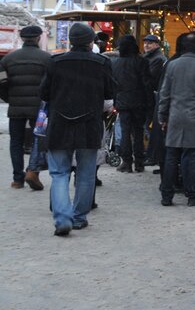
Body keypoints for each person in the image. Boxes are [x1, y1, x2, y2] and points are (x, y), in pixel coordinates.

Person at [40, 22, 114, 235]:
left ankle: (63, 217)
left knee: (59, 172)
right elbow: (109, 94)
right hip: (90, 124)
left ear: (70, 41)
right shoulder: (102, 63)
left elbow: (44, 93)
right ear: (91, 42)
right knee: (86, 173)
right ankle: (79, 218)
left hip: (59, 123)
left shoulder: (55, 62)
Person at [158, 32, 195, 207]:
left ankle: (166, 195)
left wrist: (163, 116)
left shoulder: (172, 65)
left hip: (175, 116)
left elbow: (165, 94)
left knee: (171, 156)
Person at [0, 25, 51, 190]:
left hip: (16, 108)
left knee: (15, 141)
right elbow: (52, 84)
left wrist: (10, 98)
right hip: (39, 108)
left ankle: (17, 178)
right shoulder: (47, 59)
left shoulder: (7, 60)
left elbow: (1, 83)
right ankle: (32, 170)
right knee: (38, 138)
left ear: (22, 39)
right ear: (38, 38)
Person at [110, 35, 154, 173]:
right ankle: (139, 162)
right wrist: (150, 103)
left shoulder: (115, 63)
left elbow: (113, 85)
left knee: (125, 132)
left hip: (122, 102)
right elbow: (147, 84)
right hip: (139, 101)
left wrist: (115, 101)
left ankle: (127, 162)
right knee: (138, 132)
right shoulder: (142, 61)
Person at [142, 34, 167, 170]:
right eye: (145, 43)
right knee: (149, 127)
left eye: (149, 43)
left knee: (151, 127)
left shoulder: (157, 59)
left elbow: (150, 79)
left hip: (153, 98)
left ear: (157, 45)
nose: (146, 45)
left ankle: (154, 156)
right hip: (149, 98)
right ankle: (153, 155)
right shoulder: (150, 57)